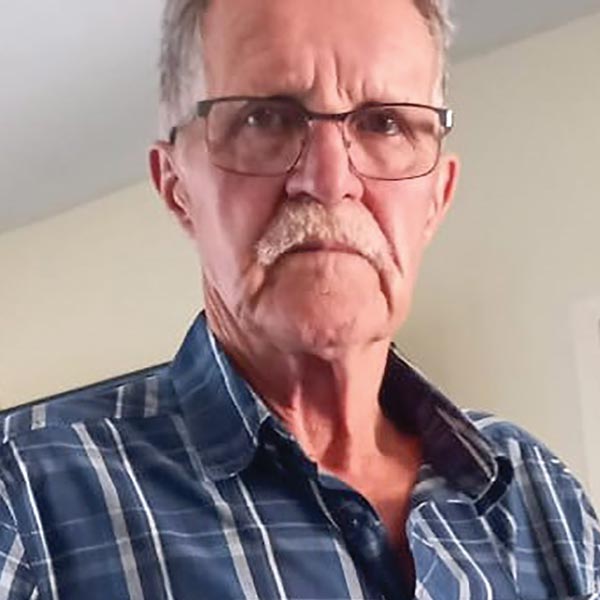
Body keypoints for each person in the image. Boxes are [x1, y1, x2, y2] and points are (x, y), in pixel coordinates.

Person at [0, 0, 599, 598]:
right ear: (178, 189)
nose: (330, 180)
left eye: (385, 123)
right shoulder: (23, 494)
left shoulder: (540, 496)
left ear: (435, 200)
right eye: (264, 118)